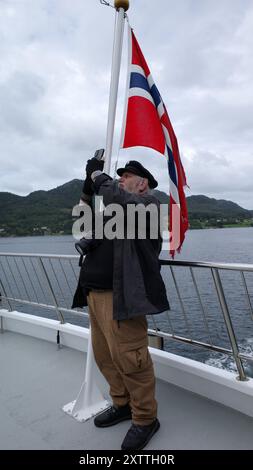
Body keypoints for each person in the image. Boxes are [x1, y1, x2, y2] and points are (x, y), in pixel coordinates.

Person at [72, 158, 170, 451]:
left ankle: (145, 419)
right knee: (106, 357)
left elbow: (116, 195)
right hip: (95, 295)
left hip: (123, 298)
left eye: (126, 176)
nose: (121, 180)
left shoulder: (149, 207)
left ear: (142, 184)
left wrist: (99, 175)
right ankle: (122, 403)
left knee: (131, 360)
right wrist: (87, 190)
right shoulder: (116, 213)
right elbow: (81, 221)